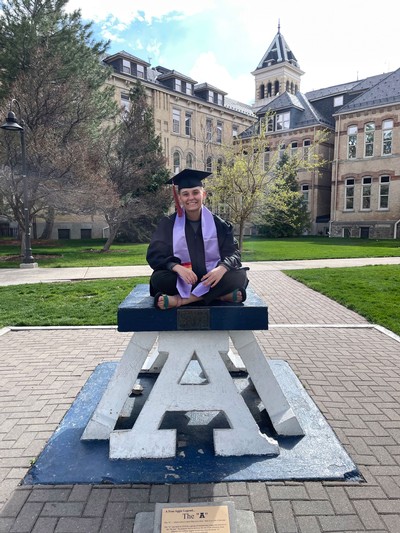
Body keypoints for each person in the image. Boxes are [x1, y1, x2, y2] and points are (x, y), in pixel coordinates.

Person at [146, 169, 249, 310]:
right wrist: (176, 267)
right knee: (158, 279)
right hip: (183, 279)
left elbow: (234, 254)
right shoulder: (168, 224)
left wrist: (221, 268)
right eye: (185, 194)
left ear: (203, 194)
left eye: (195, 192)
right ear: (180, 198)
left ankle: (181, 300)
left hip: (211, 278)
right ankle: (220, 296)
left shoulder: (220, 225)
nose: (191, 198)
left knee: (239, 276)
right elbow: (154, 255)